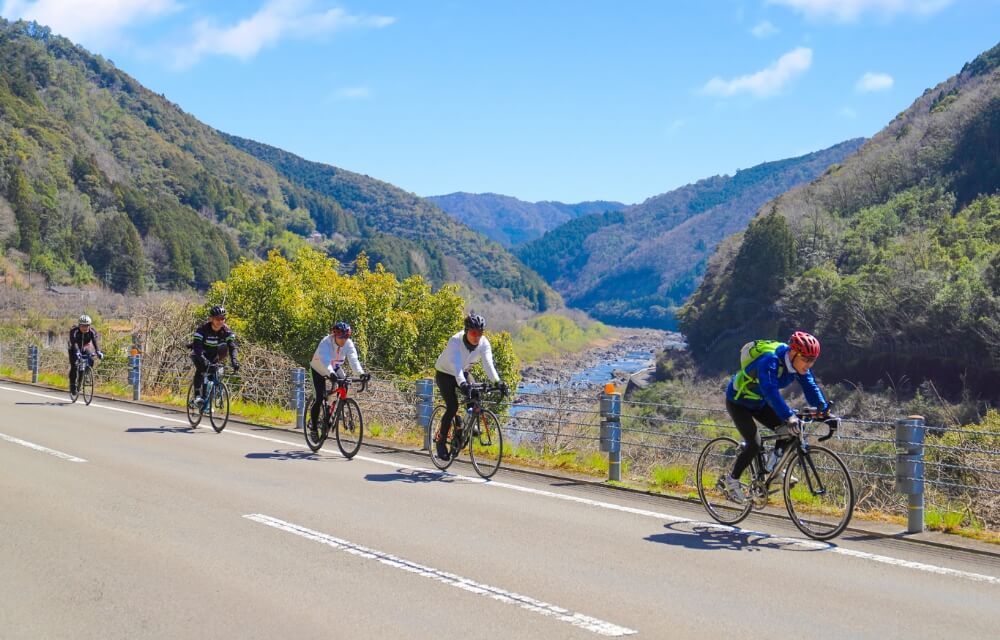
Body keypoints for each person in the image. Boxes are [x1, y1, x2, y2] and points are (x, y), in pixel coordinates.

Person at [719, 331, 829, 503]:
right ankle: (731, 481)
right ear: (793, 353)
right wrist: (789, 416)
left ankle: (773, 470)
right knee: (754, 444)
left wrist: (824, 409)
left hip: (759, 402)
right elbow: (770, 391)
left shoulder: (798, 365)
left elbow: (810, 386)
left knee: (789, 432)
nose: (809, 364)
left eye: (813, 360)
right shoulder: (769, 361)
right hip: (739, 401)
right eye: (806, 359)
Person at [432, 313, 507, 460]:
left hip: (463, 372)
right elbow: (456, 367)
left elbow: (488, 365)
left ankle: (466, 424)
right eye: (473, 333)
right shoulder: (455, 341)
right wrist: (464, 385)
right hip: (445, 373)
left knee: (475, 395)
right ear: (466, 331)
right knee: (452, 406)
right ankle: (441, 443)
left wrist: (498, 382)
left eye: (480, 333)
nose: (477, 337)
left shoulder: (484, 343)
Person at [308, 321, 370, 431]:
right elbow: (325, 361)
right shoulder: (326, 342)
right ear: (335, 335)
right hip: (318, 368)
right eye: (341, 337)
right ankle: (313, 426)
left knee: (344, 385)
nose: (343, 340)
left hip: (335, 368)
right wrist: (331, 373)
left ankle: (332, 410)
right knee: (319, 398)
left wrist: (361, 374)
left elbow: (354, 360)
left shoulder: (348, 344)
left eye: (346, 337)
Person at [190, 306, 239, 408]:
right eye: (217, 319)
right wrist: (202, 358)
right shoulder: (202, 329)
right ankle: (197, 396)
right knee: (201, 369)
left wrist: (234, 361)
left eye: (222, 318)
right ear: (211, 319)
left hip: (213, 355)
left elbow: (232, 347)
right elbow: (197, 347)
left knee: (213, 374)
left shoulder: (226, 331)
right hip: (199, 353)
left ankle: (206, 401)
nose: (220, 321)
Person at [68, 314, 103, 396]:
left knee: (90, 357)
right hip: (74, 348)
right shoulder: (74, 331)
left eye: (87, 326)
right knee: (75, 366)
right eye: (82, 326)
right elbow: (74, 343)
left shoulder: (92, 331)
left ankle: (87, 373)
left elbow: (94, 342)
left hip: (85, 347)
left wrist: (98, 351)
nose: (85, 328)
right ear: (79, 325)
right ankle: (73, 385)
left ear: (89, 325)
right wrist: (77, 352)